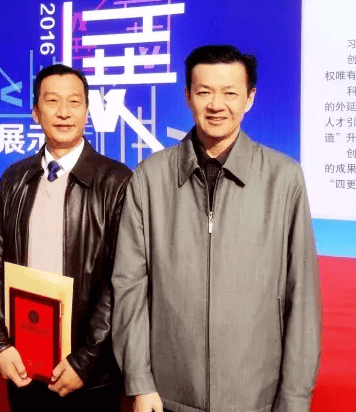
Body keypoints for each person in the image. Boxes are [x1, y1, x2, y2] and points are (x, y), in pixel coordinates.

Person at [112, 45, 321, 412]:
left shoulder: (284, 178)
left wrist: (294, 399)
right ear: (188, 96)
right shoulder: (150, 177)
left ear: (250, 98)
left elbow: (302, 295)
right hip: (168, 398)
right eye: (204, 92)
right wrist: (139, 380)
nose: (216, 105)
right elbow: (129, 286)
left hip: (256, 399)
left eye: (230, 93)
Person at [0, 64, 131, 411]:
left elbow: (122, 278)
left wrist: (86, 359)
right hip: (24, 364)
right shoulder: (13, 180)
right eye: (52, 101)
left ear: (87, 111)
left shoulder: (117, 182)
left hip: (89, 375)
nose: (64, 112)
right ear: (36, 112)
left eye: (74, 102)